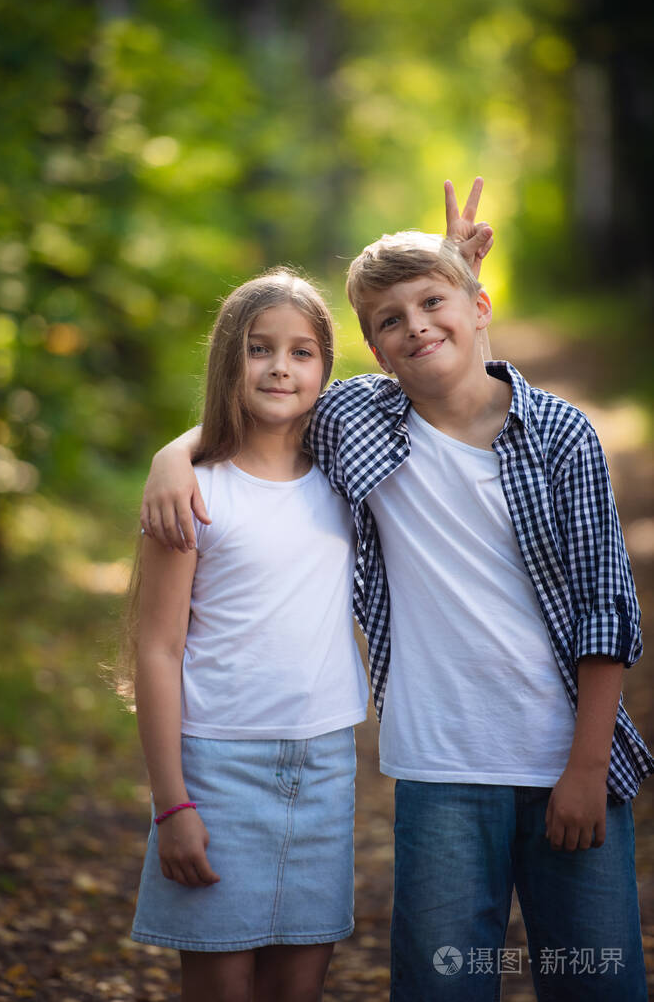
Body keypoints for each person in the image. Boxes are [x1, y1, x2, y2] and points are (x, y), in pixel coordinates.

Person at [141, 182, 652, 999]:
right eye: (390, 320)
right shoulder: (360, 422)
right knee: (441, 983)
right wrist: (176, 453)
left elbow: (605, 610)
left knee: (596, 978)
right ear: (375, 351)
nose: (415, 324)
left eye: (434, 303)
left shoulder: (559, 432)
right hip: (438, 769)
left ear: (481, 306)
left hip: (565, 755)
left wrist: (588, 764)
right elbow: (268, 401)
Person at [123, 268, 370, 1002]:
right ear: (229, 357)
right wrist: (172, 804)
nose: (279, 367)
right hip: (216, 769)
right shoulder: (192, 489)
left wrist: (458, 270)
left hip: (324, 765)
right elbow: (158, 649)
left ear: (325, 365)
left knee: (299, 983)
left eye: (301, 352)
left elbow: (428, 385)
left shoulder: (346, 475)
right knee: (222, 980)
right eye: (259, 348)